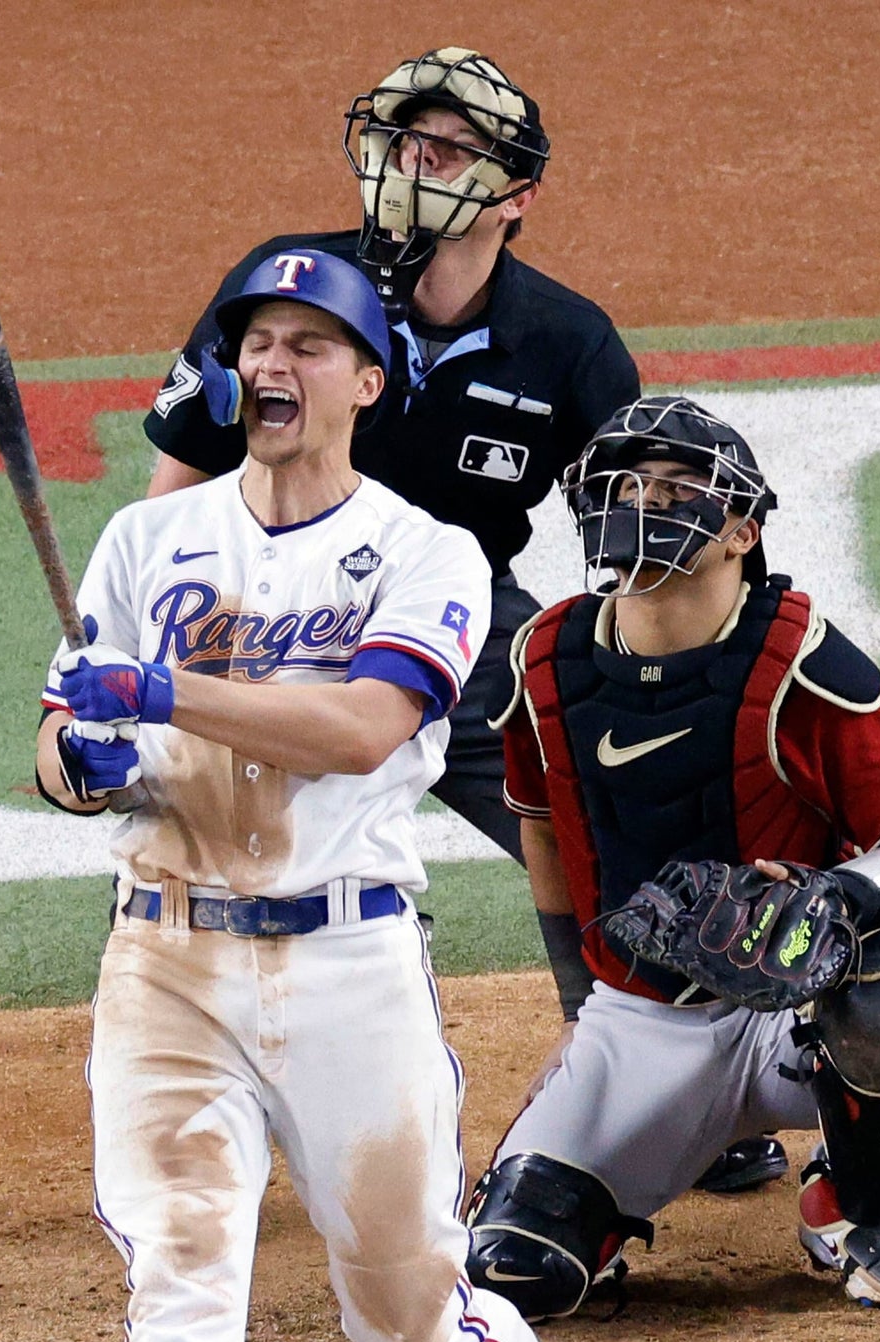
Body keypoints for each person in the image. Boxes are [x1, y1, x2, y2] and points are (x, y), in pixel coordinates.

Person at [32, 251, 637, 1342]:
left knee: (404, 1308)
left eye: (313, 342)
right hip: (166, 963)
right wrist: (81, 764)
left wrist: (160, 695)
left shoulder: (424, 555)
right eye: (256, 341)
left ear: (371, 382)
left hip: (350, 964)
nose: (275, 364)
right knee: (183, 1271)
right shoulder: (142, 542)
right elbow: (55, 746)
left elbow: (366, 728)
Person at [142, 44, 781, 1195]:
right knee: (204, 859)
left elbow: (636, 519)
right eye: (397, 142)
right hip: (275, 612)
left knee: (603, 820)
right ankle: (212, 1107)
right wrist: (159, 625)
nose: (410, 166)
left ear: (516, 195)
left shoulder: (564, 341)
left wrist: (635, 676)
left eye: (445, 150)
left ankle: (663, 1082)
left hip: (460, 615)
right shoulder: (286, 290)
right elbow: (181, 476)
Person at [464, 396, 880, 1322]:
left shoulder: (803, 663)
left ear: (740, 529)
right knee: (510, 1275)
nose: (644, 502)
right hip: (636, 1022)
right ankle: (611, 1190)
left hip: (790, 1013)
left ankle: (860, 1212)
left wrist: (837, 893)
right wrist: (579, 1006)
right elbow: (540, 829)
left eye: (676, 487)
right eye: (627, 484)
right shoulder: (547, 658)